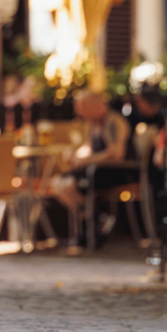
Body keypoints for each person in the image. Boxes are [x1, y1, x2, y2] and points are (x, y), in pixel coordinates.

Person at [50, 89, 134, 247]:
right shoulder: (93, 124)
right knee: (57, 183)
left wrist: (87, 160)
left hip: (115, 171)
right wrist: (75, 157)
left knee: (68, 185)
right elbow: (88, 147)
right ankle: (95, 219)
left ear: (94, 105)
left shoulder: (113, 122)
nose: (79, 112)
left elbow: (116, 153)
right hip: (96, 169)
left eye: (82, 107)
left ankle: (92, 223)